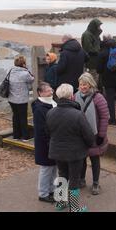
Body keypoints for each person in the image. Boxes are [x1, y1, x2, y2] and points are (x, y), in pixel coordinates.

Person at [47, 84, 95, 212]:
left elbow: (48, 132)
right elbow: (88, 135)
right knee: (74, 179)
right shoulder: (78, 114)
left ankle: (61, 203)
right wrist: (91, 145)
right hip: (75, 152)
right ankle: (74, 208)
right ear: (71, 96)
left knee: (62, 175)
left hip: (57, 150)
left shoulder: (50, 113)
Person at [75, 73, 109, 196]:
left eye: (85, 84)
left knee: (95, 159)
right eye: (80, 84)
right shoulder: (75, 96)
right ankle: (81, 179)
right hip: (80, 134)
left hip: (95, 134)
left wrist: (101, 135)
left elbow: (105, 117)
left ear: (90, 84)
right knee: (82, 158)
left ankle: (95, 182)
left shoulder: (98, 98)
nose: (83, 87)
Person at [32, 82, 57, 203]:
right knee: (46, 169)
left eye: (51, 90)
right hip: (45, 143)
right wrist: (49, 142)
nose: (51, 92)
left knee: (53, 168)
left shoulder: (51, 102)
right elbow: (42, 129)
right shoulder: (39, 108)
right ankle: (43, 193)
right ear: (40, 93)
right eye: (48, 91)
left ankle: (51, 189)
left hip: (52, 142)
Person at [8, 55, 34, 141]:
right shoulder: (25, 73)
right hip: (22, 100)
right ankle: (25, 137)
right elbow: (32, 79)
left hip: (11, 98)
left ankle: (16, 135)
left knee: (15, 116)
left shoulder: (11, 71)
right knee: (23, 117)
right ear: (23, 64)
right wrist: (27, 69)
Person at [97, 35, 116, 125]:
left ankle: (112, 119)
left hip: (107, 80)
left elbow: (99, 69)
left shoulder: (102, 53)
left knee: (110, 99)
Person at [82, 19, 103, 84]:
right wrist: (99, 52)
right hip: (90, 62)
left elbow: (99, 44)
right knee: (91, 79)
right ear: (94, 26)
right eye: (98, 26)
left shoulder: (95, 34)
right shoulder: (87, 35)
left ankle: (95, 92)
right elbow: (88, 49)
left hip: (96, 61)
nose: (99, 28)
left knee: (95, 78)